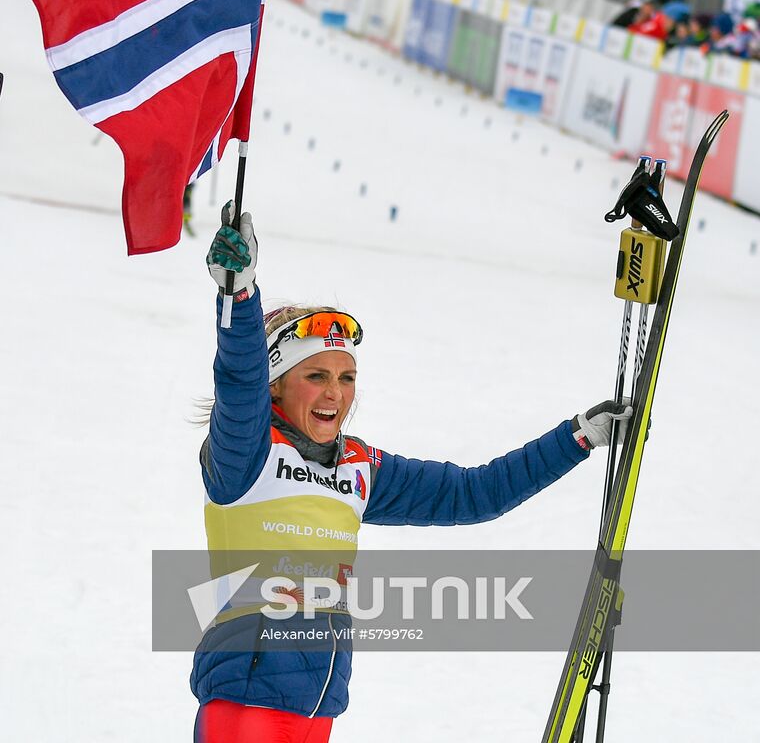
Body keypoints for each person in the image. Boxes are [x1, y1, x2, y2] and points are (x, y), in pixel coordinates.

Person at [191, 203, 631, 742]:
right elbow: (239, 382)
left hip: (316, 710)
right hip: (246, 705)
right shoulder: (247, 456)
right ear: (278, 382)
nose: (335, 392)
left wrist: (579, 436)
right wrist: (238, 296)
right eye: (316, 375)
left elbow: (475, 494)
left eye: (347, 376)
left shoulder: (360, 467)